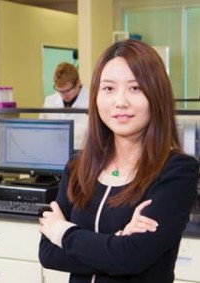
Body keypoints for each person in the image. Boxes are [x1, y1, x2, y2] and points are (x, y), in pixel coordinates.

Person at [38, 39, 199, 283]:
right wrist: (118, 242)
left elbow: (131, 258)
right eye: (109, 89)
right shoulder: (78, 167)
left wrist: (63, 232)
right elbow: (48, 253)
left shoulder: (176, 171)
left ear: (156, 94)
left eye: (135, 88)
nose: (120, 101)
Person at [39, 62, 89, 150]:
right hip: (54, 154)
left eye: (68, 90)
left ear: (78, 83)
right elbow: (40, 132)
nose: (64, 95)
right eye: (60, 91)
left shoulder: (92, 101)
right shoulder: (49, 102)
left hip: (83, 158)